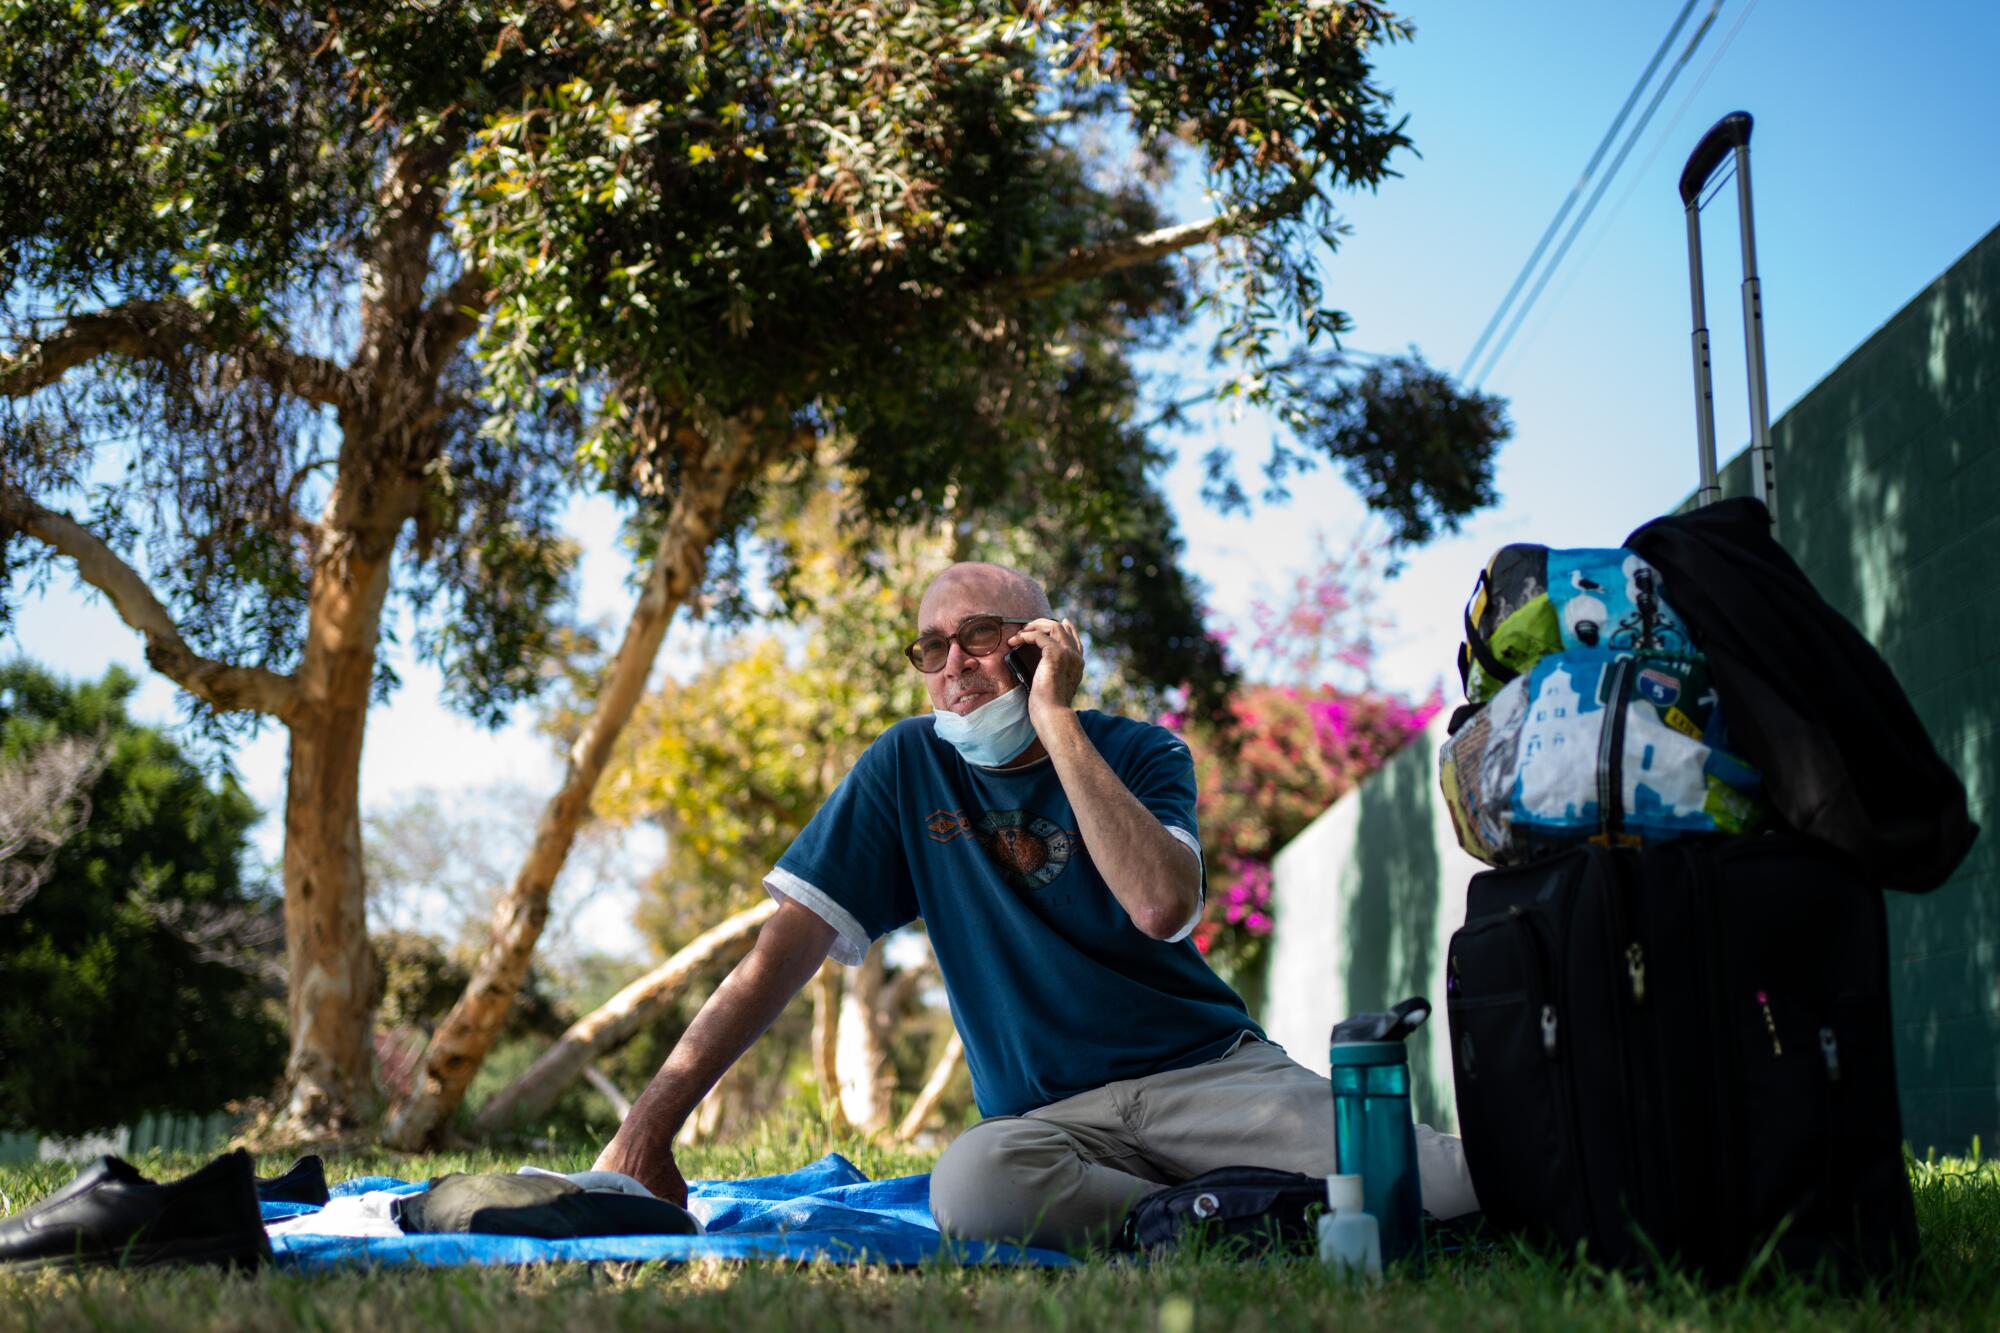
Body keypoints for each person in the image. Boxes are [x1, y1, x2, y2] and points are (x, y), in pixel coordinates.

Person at [594, 561, 1477, 1249]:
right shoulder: (906, 767)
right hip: (1050, 1127)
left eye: (978, 637)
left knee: (1450, 1185)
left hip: (1210, 1077)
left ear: (1043, 641)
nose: (952, 667)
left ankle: (1229, 1209)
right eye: (930, 649)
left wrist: (1055, 717)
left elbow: (1162, 905)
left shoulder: (1139, 752)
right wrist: (647, 1131)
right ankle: (1217, 1219)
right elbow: (778, 953)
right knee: (975, 1189)